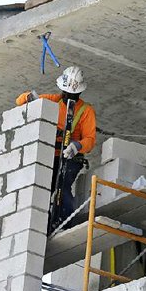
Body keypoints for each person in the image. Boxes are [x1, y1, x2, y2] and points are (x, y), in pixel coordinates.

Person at [16, 66, 96, 233]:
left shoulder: (85, 111)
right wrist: (30, 98)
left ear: (79, 94)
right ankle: (43, 226)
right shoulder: (53, 100)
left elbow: (90, 139)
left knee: (63, 185)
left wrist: (77, 146)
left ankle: (65, 223)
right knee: (46, 188)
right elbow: (19, 102)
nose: (68, 97)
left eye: (72, 95)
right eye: (66, 94)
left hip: (71, 157)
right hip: (50, 154)